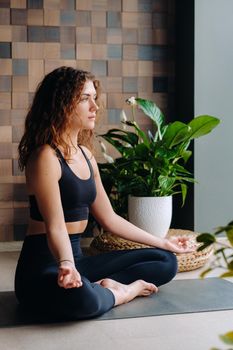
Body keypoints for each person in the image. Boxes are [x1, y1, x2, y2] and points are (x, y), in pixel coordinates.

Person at [15, 66, 193, 321]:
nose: (95, 107)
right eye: (85, 99)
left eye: (94, 98)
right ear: (61, 104)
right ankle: (122, 292)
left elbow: (109, 219)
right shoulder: (46, 157)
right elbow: (56, 227)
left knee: (166, 261)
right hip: (46, 266)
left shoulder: (86, 155)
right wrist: (66, 264)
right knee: (82, 301)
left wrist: (164, 242)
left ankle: (95, 286)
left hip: (78, 262)